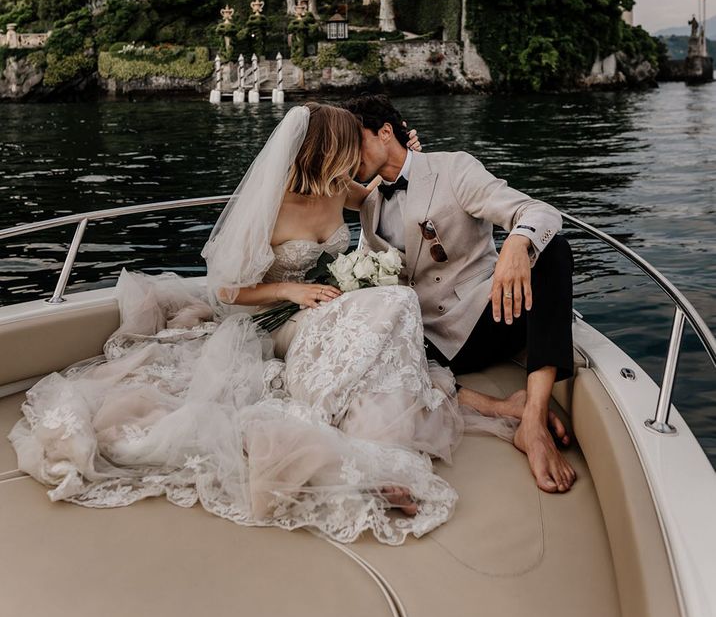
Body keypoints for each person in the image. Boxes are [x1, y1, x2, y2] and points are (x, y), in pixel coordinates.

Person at [9, 104, 514, 545]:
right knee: (392, 306)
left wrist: (408, 156)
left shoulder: (341, 189)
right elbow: (223, 291)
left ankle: (368, 451)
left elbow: (387, 191)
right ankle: (346, 436)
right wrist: (288, 290)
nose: (355, 156)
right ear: (326, 149)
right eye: (348, 146)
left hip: (320, 307)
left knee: (392, 308)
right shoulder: (270, 206)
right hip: (270, 320)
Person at [343, 93, 577, 494]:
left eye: (354, 141)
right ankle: (504, 406)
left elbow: (539, 213)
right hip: (427, 340)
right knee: (359, 346)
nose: (348, 154)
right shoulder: (368, 204)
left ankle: (534, 420)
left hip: (487, 316)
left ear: (385, 133)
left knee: (554, 250)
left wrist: (517, 244)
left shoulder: (453, 168)